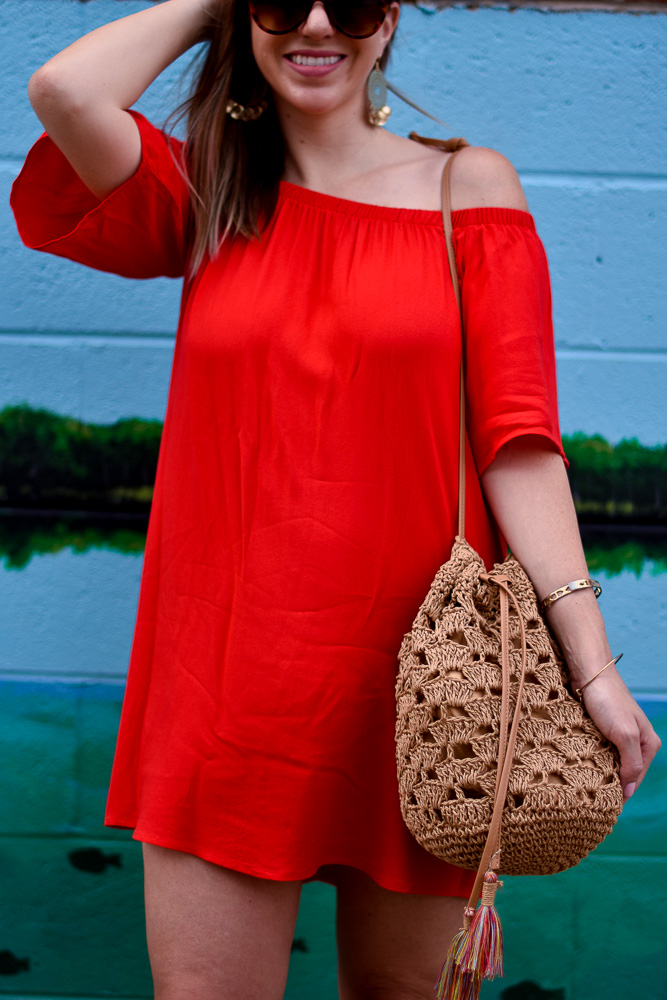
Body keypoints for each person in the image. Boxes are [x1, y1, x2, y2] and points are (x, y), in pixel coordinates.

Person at [11, 0, 660, 997]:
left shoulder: (466, 184)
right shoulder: (208, 187)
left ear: (389, 19)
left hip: (427, 688)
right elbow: (64, 91)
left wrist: (594, 671)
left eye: (349, 2)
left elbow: (520, 444)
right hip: (224, 685)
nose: (318, 25)